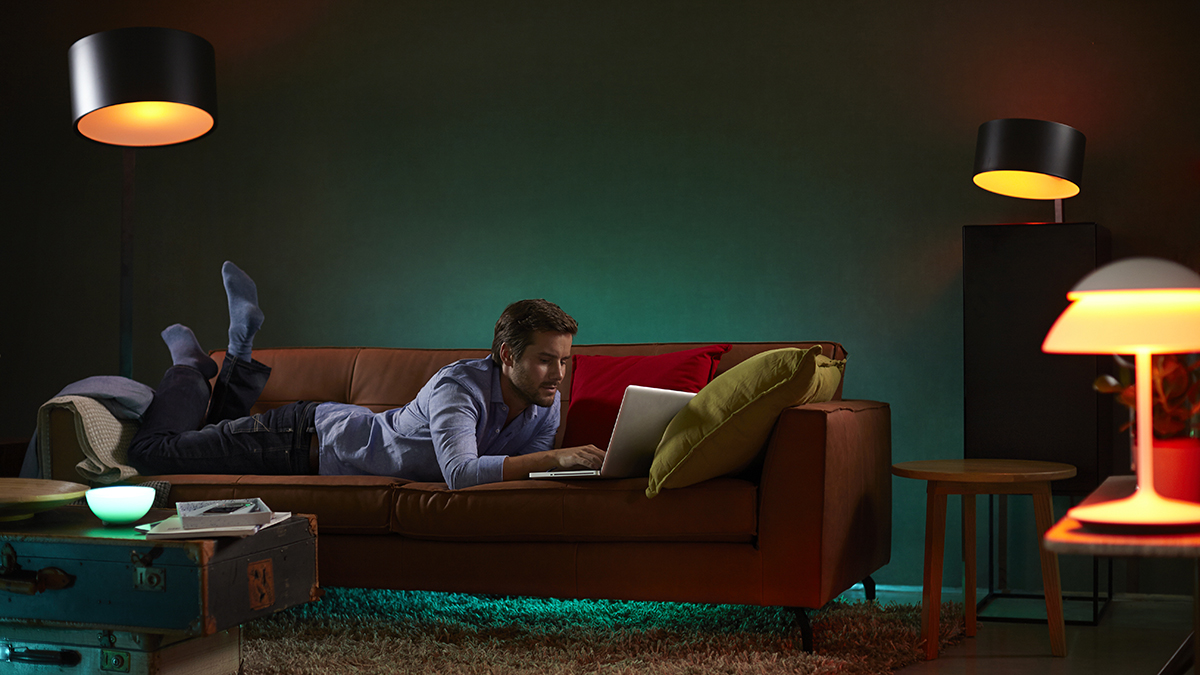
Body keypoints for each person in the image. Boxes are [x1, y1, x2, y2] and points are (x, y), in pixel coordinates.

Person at [127, 262, 605, 489]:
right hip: (303, 439)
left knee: (204, 438)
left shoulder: (545, 398)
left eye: (563, 361)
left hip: (317, 442)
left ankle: (238, 351)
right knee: (153, 455)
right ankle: (189, 370)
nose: (558, 374)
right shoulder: (459, 387)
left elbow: (521, 478)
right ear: (506, 355)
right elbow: (460, 474)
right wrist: (560, 458)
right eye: (545, 359)